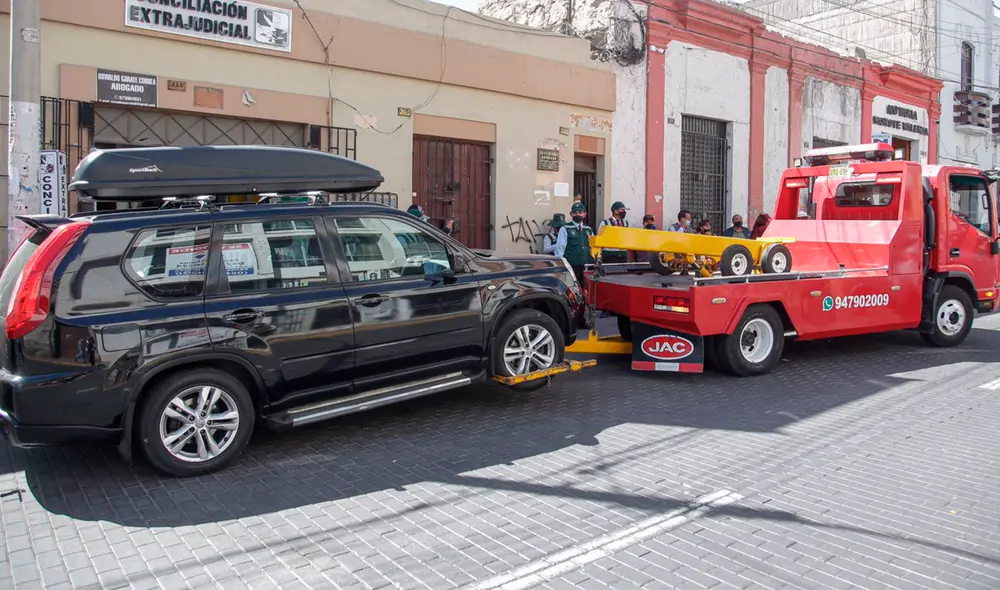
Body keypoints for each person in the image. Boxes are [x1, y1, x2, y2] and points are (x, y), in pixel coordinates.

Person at [554, 202, 594, 285]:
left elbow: (593, 246)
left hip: (587, 266)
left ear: (585, 214)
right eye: (575, 213)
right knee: (573, 288)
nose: (577, 214)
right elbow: (560, 248)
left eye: (580, 212)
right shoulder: (565, 228)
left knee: (586, 289)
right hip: (572, 266)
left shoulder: (588, 229)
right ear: (571, 214)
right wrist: (561, 265)